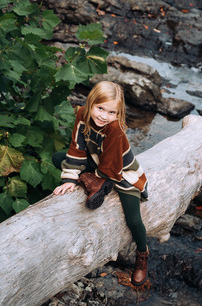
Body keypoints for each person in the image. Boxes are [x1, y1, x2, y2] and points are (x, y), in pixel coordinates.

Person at [52, 81, 149, 286]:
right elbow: (77, 147)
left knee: (133, 219)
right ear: (91, 103)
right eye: (100, 108)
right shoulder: (82, 115)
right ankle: (94, 181)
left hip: (121, 172)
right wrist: (69, 179)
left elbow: (111, 166)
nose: (104, 116)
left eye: (112, 112)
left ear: (118, 113)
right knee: (58, 158)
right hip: (97, 161)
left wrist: (91, 176)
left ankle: (143, 254)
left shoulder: (115, 129)